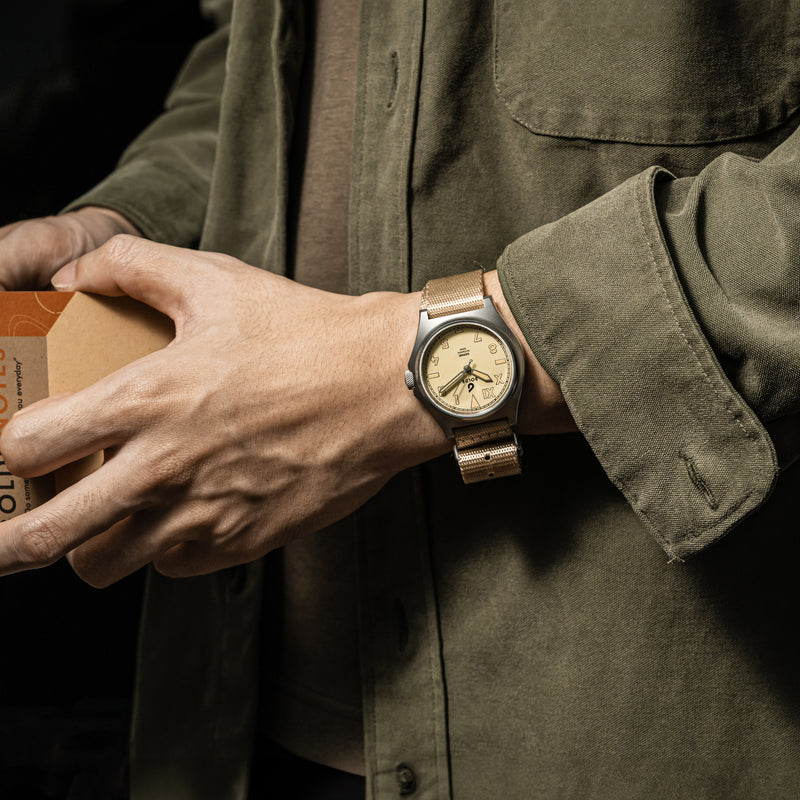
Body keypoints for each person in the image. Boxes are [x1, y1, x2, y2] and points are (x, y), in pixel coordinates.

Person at [1, 1, 800, 798]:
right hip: (231, 718)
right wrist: (130, 223)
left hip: (632, 721)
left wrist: (419, 373)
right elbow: (251, 64)